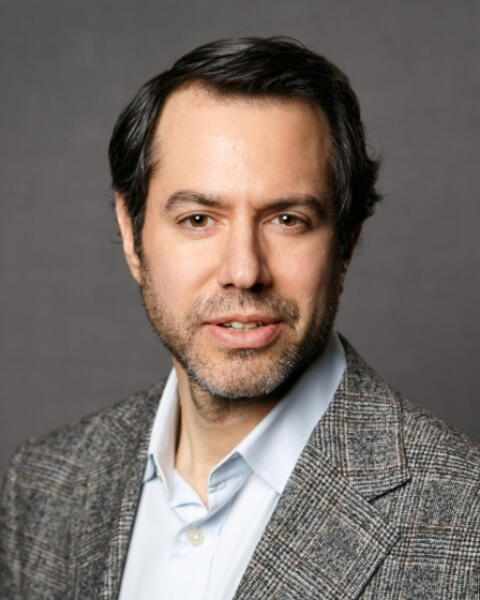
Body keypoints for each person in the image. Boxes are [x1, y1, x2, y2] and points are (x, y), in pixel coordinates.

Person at [1, 37, 478, 600]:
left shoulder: (464, 518)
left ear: (346, 243)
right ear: (131, 233)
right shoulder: (44, 484)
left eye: (287, 219)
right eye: (199, 219)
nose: (244, 271)